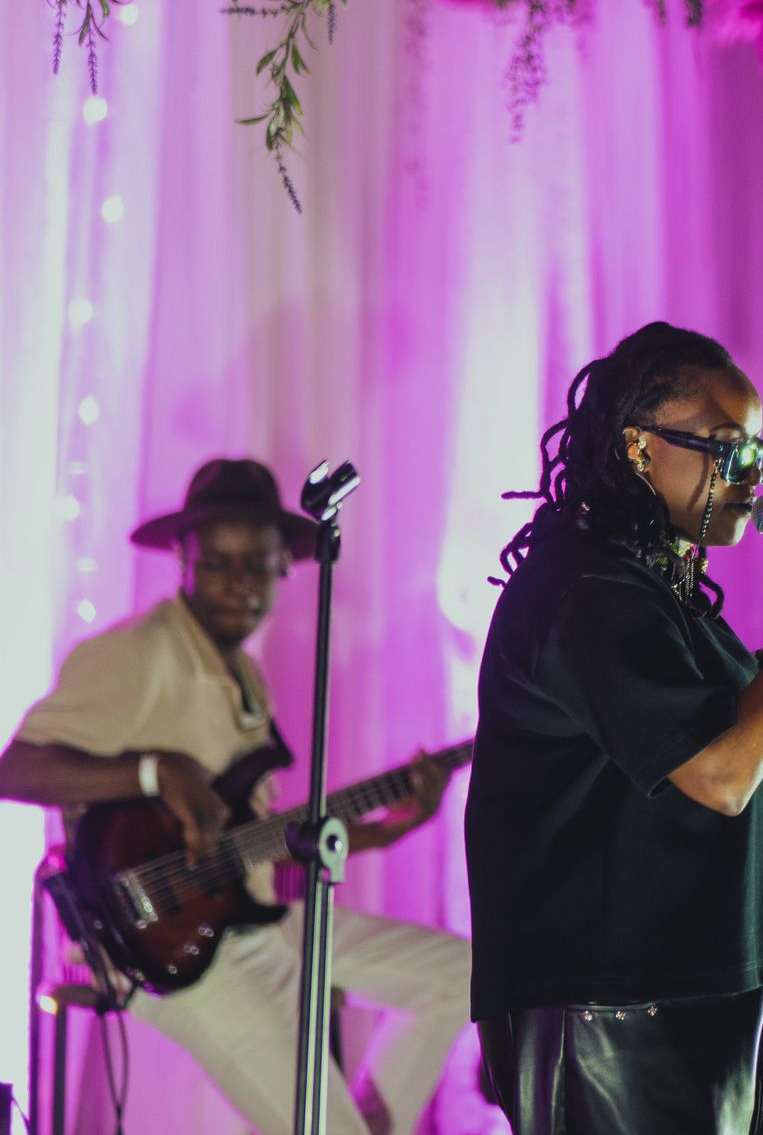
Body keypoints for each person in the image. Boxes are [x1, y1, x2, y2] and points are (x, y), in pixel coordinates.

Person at [465, 322, 763, 1135]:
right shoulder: (583, 589)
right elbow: (719, 777)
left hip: (737, 988)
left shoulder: (659, 592)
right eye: (730, 449)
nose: (753, 477)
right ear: (639, 447)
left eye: (761, 453)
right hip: (623, 1011)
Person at [0, 458, 470, 1135]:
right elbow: (17, 771)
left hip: (253, 917)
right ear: (184, 560)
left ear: (283, 569)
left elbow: (252, 836)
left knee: (460, 975)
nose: (238, 584)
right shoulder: (142, 653)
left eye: (256, 565)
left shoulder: (242, 670)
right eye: (218, 564)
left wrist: (390, 827)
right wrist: (155, 771)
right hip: (180, 951)